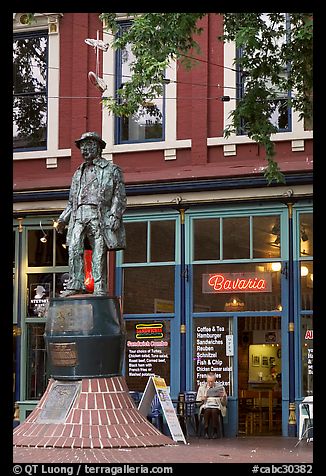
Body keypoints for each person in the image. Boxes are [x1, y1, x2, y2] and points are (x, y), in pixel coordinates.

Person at [56, 132, 127, 296]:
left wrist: (115, 215)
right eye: (82, 147)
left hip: (99, 215)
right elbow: (71, 202)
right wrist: (62, 219)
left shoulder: (112, 170)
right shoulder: (77, 173)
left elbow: (119, 196)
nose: (84, 150)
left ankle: (100, 287)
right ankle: (75, 285)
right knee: (74, 249)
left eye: (88, 146)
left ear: (98, 147)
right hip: (78, 216)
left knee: (99, 252)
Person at [196, 371, 227, 439]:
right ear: (206, 380)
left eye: (212, 381)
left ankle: (215, 431)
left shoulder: (220, 388)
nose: (210, 383)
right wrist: (203, 399)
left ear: (214, 380)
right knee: (207, 410)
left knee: (214, 410)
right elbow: (197, 403)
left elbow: (224, 403)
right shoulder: (202, 388)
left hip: (217, 406)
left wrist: (224, 397)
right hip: (206, 406)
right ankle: (206, 431)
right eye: (209, 381)